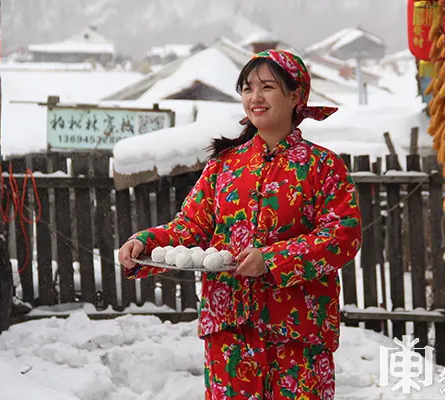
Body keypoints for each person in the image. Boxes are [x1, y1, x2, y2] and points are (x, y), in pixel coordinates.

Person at [118, 49, 363, 399]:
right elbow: (190, 226)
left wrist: (272, 259)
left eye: (267, 87)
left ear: (295, 96)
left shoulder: (323, 166)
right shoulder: (224, 166)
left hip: (297, 332)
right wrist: (146, 243)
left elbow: (342, 236)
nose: (255, 97)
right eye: (247, 88)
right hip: (229, 328)